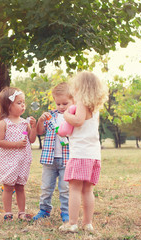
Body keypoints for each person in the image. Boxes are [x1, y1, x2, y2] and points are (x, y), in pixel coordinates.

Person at [58, 71, 108, 233]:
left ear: (80, 88)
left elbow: (78, 121)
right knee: (88, 190)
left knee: (74, 188)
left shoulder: (80, 104)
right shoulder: (95, 108)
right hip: (93, 155)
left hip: (80, 154)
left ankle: (72, 223)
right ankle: (87, 223)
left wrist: (66, 115)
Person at [33, 82, 74, 223]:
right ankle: (44, 210)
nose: (61, 107)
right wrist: (40, 120)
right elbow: (39, 131)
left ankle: (66, 212)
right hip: (49, 159)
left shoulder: (73, 117)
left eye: (65, 103)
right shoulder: (51, 116)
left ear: (73, 101)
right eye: (58, 104)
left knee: (65, 189)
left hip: (66, 160)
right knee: (46, 187)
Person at [0, 87, 37, 221]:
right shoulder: (4, 123)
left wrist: (34, 127)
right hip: (8, 161)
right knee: (8, 187)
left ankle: (22, 212)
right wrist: (16, 144)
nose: (23, 105)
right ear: (8, 105)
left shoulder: (25, 123)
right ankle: (7, 212)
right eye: (19, 103)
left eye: (24, 102)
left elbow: (31, 139)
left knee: (20, 186)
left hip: (22, 160)